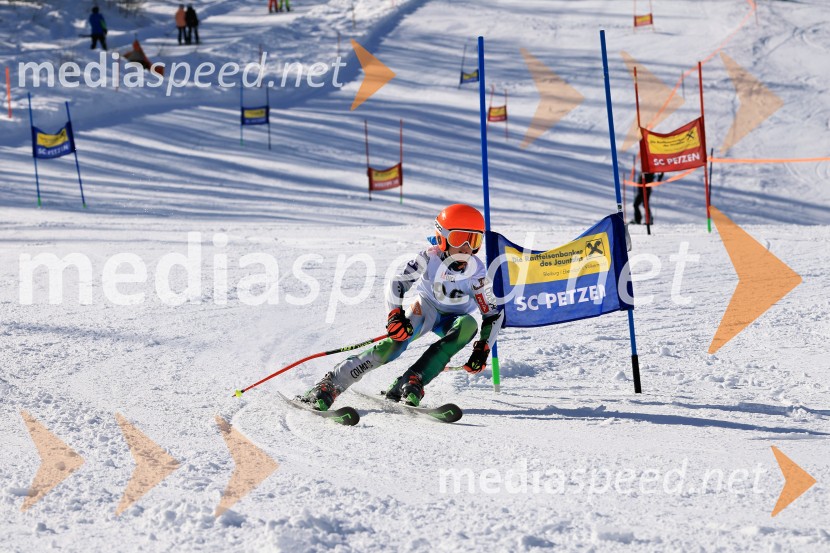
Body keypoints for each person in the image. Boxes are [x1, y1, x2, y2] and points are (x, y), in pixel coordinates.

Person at [299, 204, 504, 411]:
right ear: (442, 237)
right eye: (459, 238)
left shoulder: (477, 274)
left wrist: (483, 348)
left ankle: (413, 380)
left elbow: (492, 315)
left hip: (453, 320)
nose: (466, 247)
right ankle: (332, 383)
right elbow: (398, 282)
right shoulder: (429, 257)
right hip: (426, 310)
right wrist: (395, 315)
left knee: (468, 325)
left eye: (474, 240)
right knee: (395, 344)